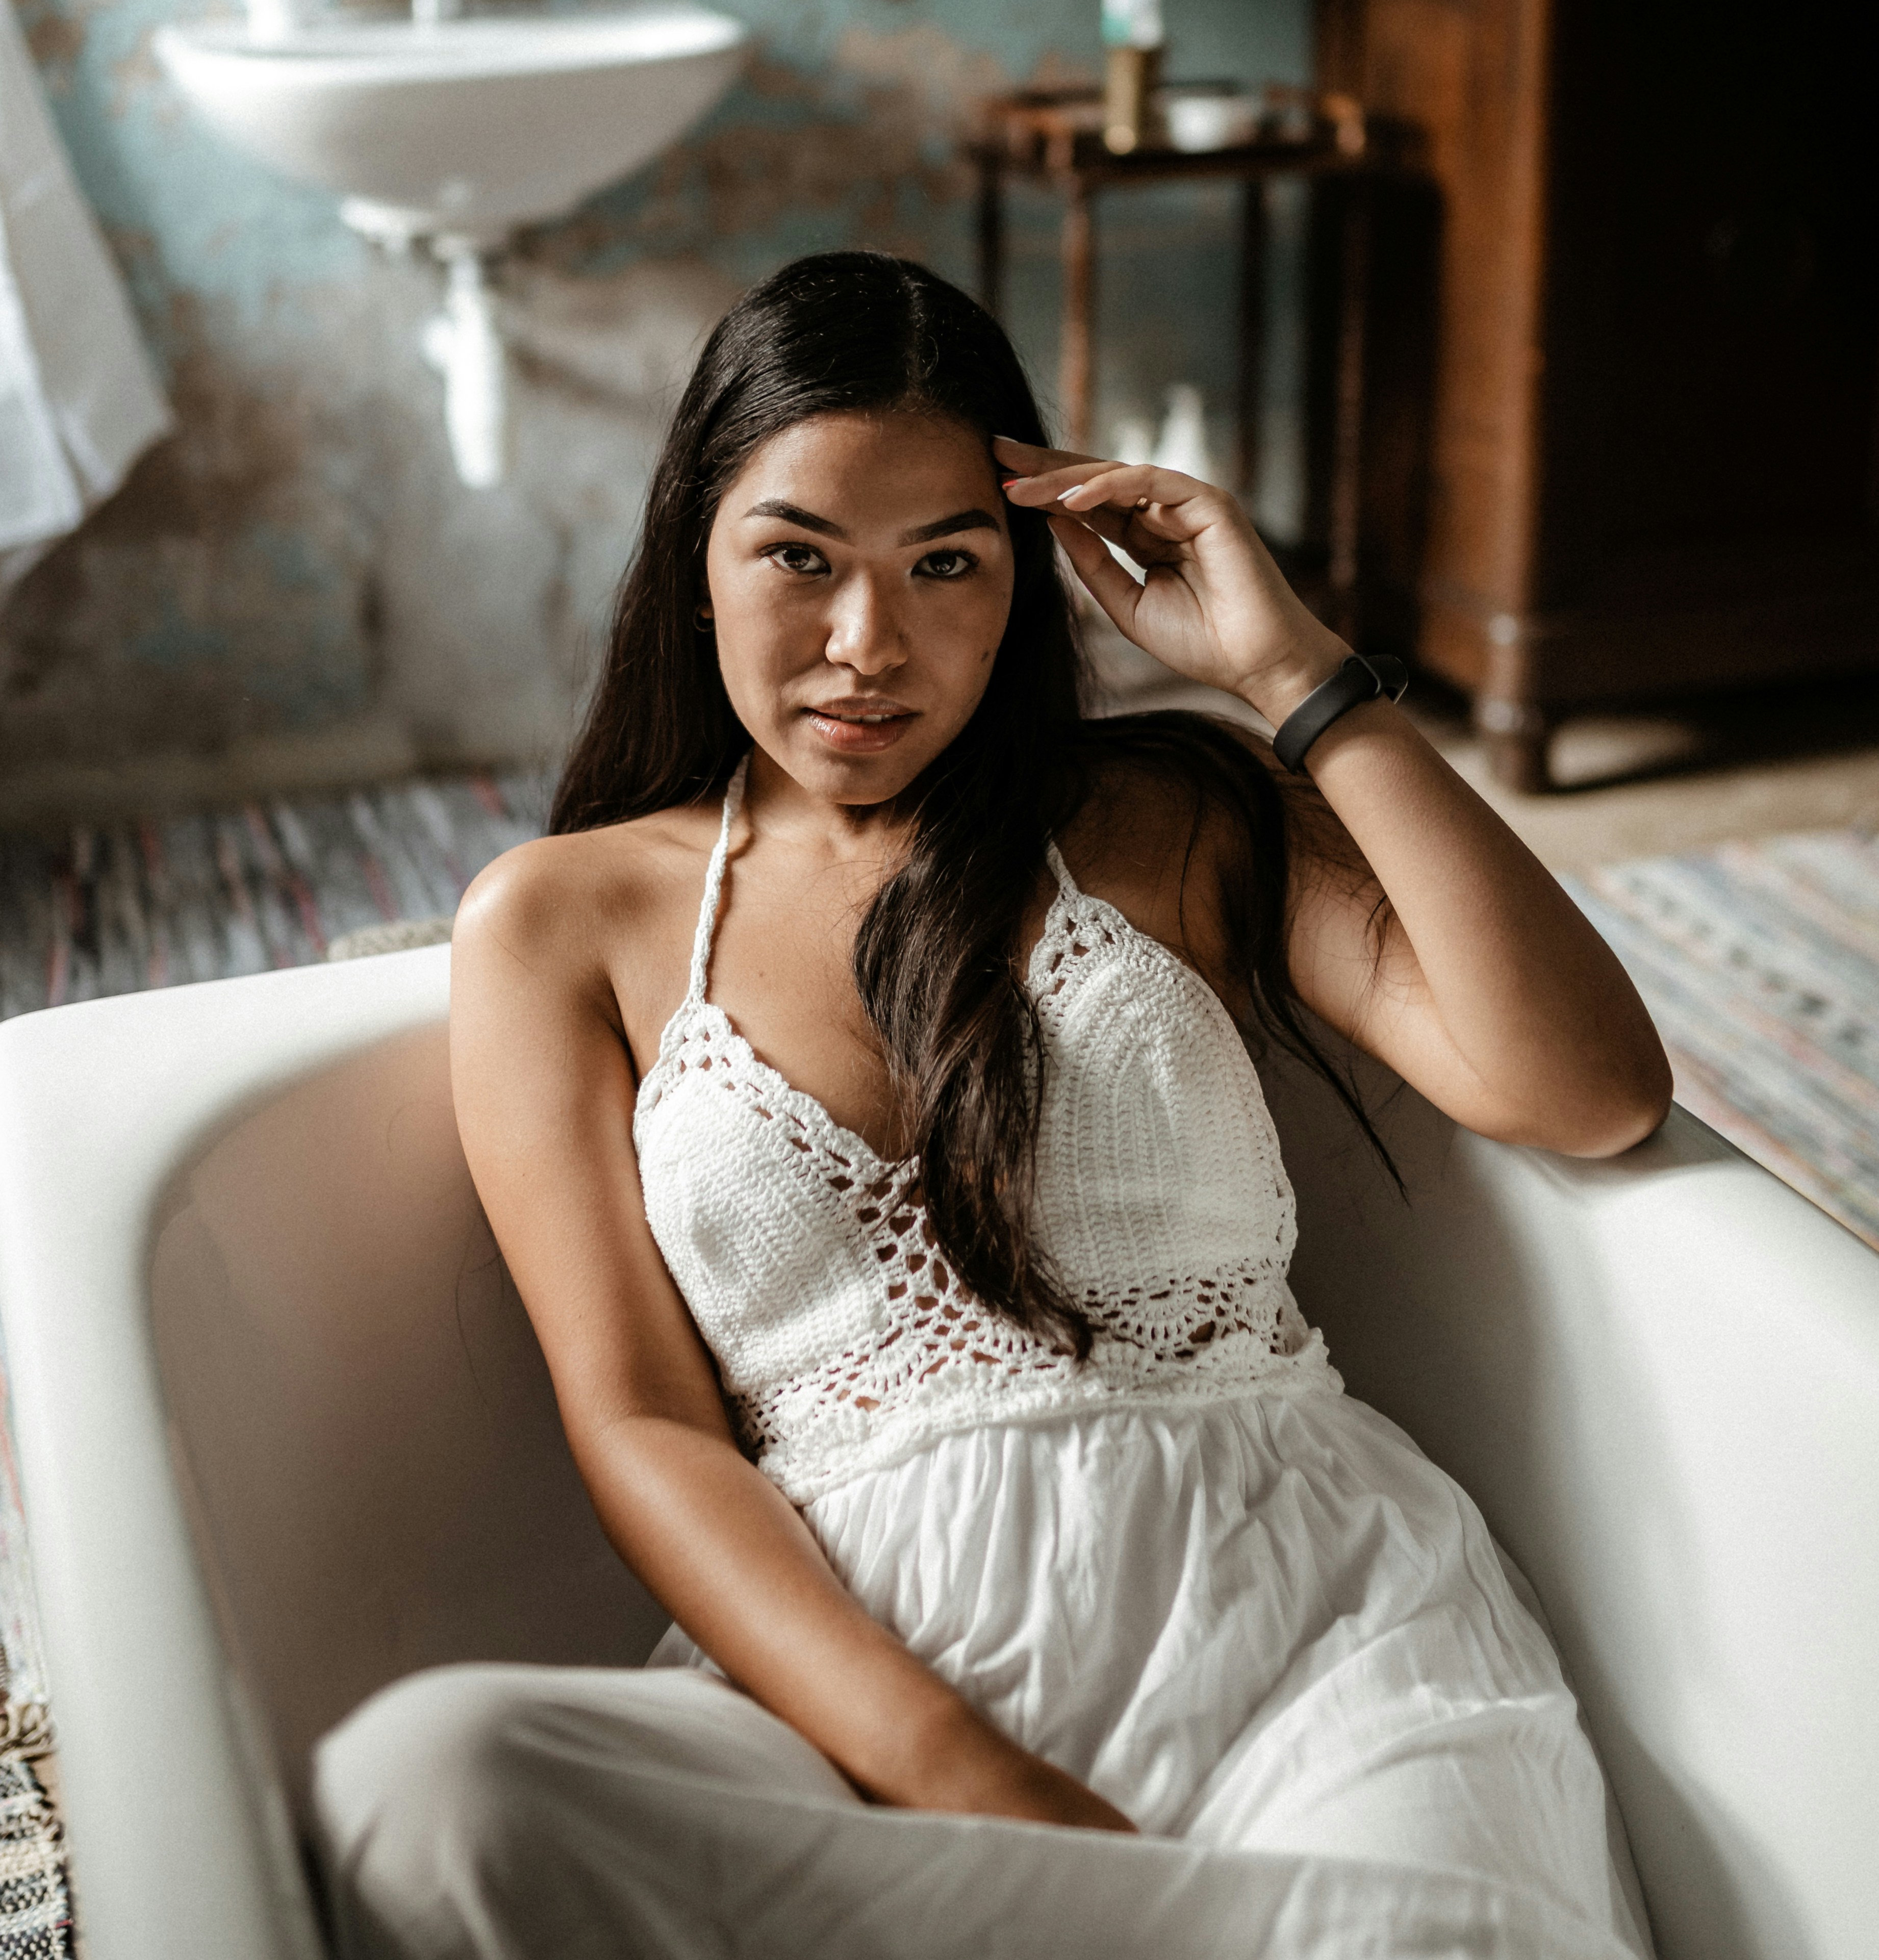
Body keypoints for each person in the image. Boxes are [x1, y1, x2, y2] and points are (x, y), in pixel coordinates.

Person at [314, 251, 1669, 1959]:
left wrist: (1291, 674)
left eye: (944, 564)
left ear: (1024, 580)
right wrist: (952, 1767)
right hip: (855, 1710)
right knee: (433, 1788)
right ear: (694, 557)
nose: (866, 646)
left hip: (1316, 1637)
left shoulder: (1167, 820)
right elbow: (645, 1423)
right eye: (798, 557)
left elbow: (1592, 1092)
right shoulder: (564, 921)